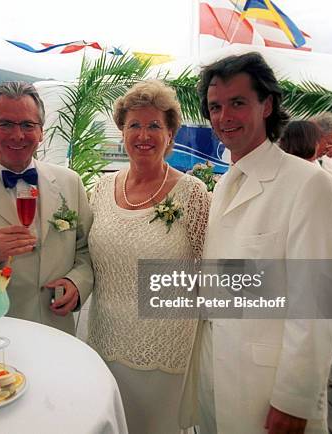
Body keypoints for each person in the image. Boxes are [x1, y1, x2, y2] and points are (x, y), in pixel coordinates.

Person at [192, 52, 332, 434]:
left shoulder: (307, 184)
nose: (224, 117)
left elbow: (319, 302)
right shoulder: (226, 180)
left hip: (266, 387)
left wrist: (293, 399)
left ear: (267, 105)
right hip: (213, 375)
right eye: (215, 106)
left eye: (238, 103)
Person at [87, 80, 210, 434]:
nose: (144, 134)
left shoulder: (193, 194)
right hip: (104, 339)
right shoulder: (99, 189)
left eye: (154, 125)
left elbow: (208, 272)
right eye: (134, 125)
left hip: (165, 349)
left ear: (170, 133)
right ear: (122, 132)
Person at [0, 81, 93, 334]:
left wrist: (77, 282)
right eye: (5, 124)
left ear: (41, 132)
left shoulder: (70, 182)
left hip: (56, 327)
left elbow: (87, 249)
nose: (17, 135)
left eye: (28, 125)